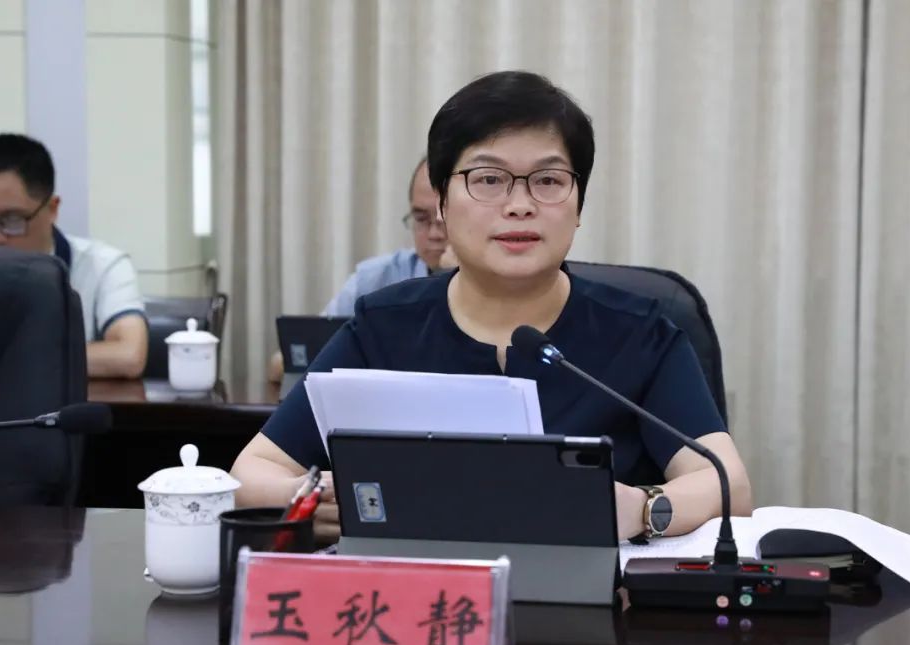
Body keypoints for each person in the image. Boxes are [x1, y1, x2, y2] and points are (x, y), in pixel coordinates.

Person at [233, 70, 752, 543]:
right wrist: (317, 498)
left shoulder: (641, 333)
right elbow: (250, 474)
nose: (520, 204)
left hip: (594, 606)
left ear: (578, 205)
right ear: (441, 202)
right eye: (488, 179)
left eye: (548, 181)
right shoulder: (383, 327)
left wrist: (642, 508)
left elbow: (728, 484)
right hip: (420, 602)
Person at [266, 156, 450, 382]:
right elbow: (285, 362)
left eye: (443, 218)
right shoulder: (375, 278)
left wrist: (457, 273)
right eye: (421, 219)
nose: (433, 234)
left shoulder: (491, 283)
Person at [0, 133, 147, 379]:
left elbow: (128, 356)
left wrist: (7, 361)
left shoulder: (102, 266)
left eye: (12, 219)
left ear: (52, 209)